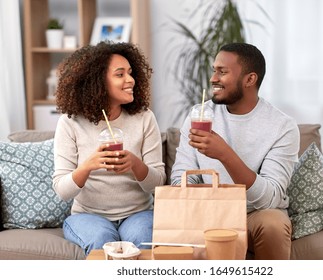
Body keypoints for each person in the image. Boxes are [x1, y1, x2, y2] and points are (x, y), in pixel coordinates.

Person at [171, 42, 300, 260]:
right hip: (207, 211)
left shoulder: (282, 126)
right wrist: (206, 201)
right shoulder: (199, 115)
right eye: (214, 70)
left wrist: (225, 154)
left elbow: (270, 198)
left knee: (273, 223)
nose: (213, 78)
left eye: (222, 72)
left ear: (250, 79)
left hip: (254, 213)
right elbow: (180, 177)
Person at [52, 41, 166, 256]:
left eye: (131, 73)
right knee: (102, 240)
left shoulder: (144, 118)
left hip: (138, 213)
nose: (130, 80)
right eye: (120, 74)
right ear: (97, 82)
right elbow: (62, 190)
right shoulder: (70, 122)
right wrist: (88, 166)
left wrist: (135, 164)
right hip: (88, 215)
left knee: (142, 239)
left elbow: (158, 183)